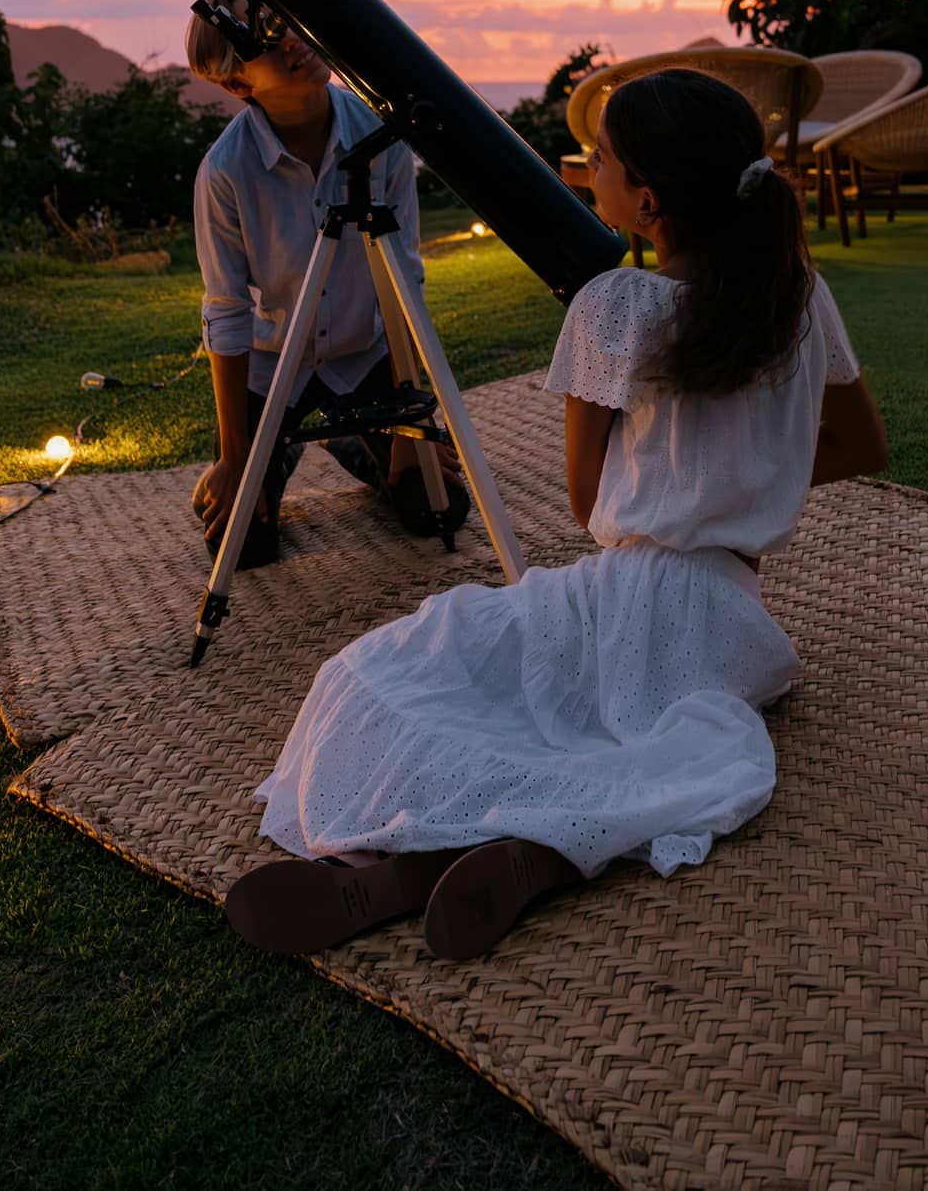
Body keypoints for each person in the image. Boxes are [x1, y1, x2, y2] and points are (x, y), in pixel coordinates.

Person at [224, 68, 889, 960]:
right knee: (609, 739)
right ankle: (529, 851)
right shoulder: (798, 296)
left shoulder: (615, 305)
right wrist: (744, 484)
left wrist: (691, 490)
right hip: (733, 625)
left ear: (645, 202)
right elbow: (861, 446)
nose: (587, 167)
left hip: (631, 596)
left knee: (386, 675)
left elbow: (587, 506)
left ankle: (418, 848)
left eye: (601, 157)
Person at [187, 0, 467, 570]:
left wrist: (408, 420)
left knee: (437, 507)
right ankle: (267, 456)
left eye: (288, 18)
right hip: (273, 364)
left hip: (363, 356)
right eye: (265, 33)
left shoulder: (379, 137)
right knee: (244, 546)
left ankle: (350, 438)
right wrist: (237, 458)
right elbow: (226, 313)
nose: (291, 39)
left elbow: (402, 280)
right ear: (238, 82)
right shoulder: (225, 172)